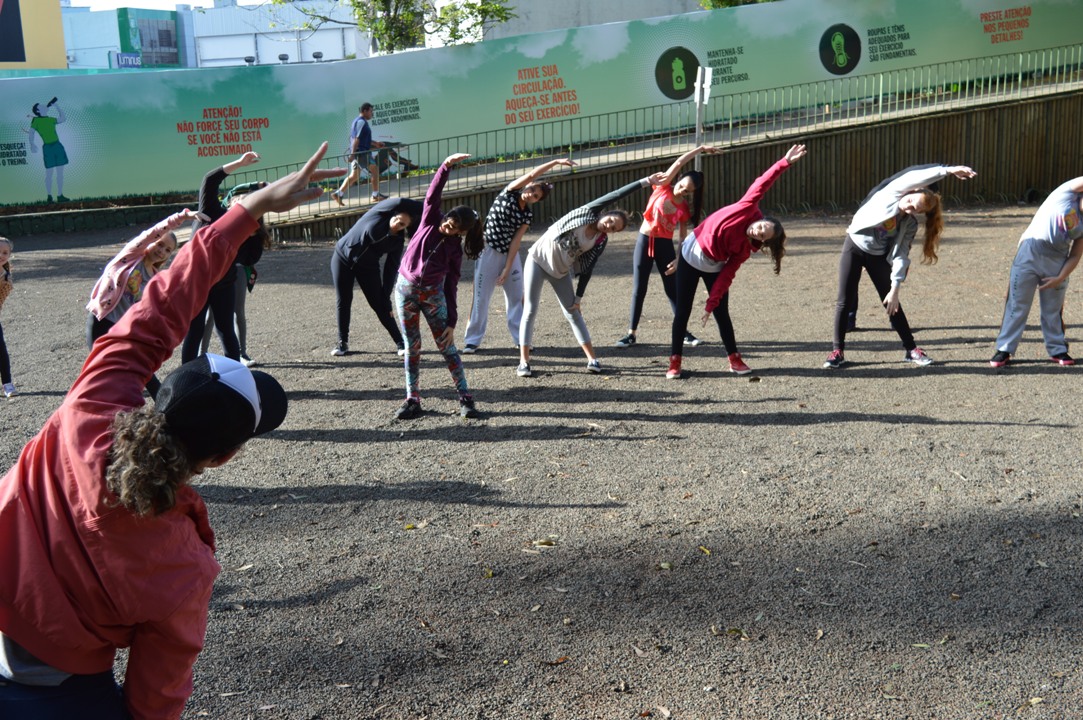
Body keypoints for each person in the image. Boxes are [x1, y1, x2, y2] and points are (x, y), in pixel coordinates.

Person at [0, 142, 341, 719]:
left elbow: (161, 306)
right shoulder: (183, 561)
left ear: (158, 394)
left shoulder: (91, 406)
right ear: (223, 458)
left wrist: (249, 208)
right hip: (54, 695)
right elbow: (156, 693)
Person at [667, 144, 806, 380]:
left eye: (762, 236)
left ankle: (734, 358)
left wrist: (711, 303)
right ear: (761, 219)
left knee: (723, 313)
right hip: (691, 254)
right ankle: (674, 361)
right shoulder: (747, 206)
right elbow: (763, 181)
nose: (758, 232)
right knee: (683, 310)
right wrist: (785, 162)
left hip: (714, 265)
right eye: (762, 227)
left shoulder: (744, 249)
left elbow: (727, 274)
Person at [822, 162, 977, 369]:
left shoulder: (909, 223)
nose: (910, 207)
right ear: (910, 192)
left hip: (877, 256)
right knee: (844, 299)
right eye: (911, 201)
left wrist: (895, 288)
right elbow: (912, 176)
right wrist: (947, 171)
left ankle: (911, 350)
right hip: (854, 247)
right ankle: (837, 351)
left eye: (916, 209)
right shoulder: (891, 194)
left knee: (892, 304)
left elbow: (901, 256)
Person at [517, 172, 663, 378]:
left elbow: (588, 268)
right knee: (530, 310)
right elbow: (616, 194)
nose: (609, 225)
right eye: (611, 220)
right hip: (537, 260)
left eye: (614, 228)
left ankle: (592, 359)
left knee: (573, 312)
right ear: (606, 214)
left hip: (560, 271)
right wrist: (646, 181)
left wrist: (578, 297)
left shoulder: (599, 241)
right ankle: (524, 362)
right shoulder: (588, 211)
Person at [392, 153, 483, 420]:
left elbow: (452, 285)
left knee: (447, 347)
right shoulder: (430, 220)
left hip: (433, 297)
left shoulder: (454, 250)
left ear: (460, 232)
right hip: (404, 291)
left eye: (452, 227)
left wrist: (452, 321)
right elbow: (433, 194)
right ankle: (412, 400)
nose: (446, 226)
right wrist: (445, 166)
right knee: (412, 347)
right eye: (447, 221)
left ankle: (466, 399)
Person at [462, 158, 575, 354]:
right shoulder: (510, 192)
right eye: (532, 190)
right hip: (488, 250)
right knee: (481, 297)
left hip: (509, 254)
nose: (531, 195)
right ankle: (472, 340)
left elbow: (516, 241)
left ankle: (521, 339)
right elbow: (532, 175)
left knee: (517, 297)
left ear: (538, 201)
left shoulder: (526, 216)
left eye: (536, 196)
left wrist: (507, 267)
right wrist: (555, 162)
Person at [616, 145, 718, 350]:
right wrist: (701, 149)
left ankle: (684, 333)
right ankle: (631, 334)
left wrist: (679, 259)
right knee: (639, 288)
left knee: (673, 289)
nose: (682, 190)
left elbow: (682, 237)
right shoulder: (663, 187)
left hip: (665, 246)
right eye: (682, 185)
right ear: (678, 179)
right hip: (645, 240)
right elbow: (679, 162)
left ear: (691, 194)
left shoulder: (683, 208)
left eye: (687, 191)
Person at [86, 210, 191, 398]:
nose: (162, 251)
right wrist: (181, 217)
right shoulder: (131, 256)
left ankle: (166, 408)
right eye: (160, 244)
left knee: (142, 370)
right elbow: (151, 232)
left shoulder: (156, 277)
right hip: (102, 321)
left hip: (125, 330)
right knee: (99, 370)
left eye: (168, 250)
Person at [180, 153, 269, 364]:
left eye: (245, 201)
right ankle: (188, 376)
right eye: (238, 197)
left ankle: (236, 375)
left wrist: (250, 235)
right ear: (230, 202)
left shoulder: (247, 230)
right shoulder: (211, 211)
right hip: (198, 280)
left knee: (225, 329)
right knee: (195, 330)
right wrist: (240, 163)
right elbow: (209, 180)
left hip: (223, 282)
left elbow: (250, 258)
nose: (240, 199)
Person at [989, 176, 1083, 367]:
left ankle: (1058, 350)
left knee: (1053, 309)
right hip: (1029, 254)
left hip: (1057, 262)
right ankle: (1004, 349)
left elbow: (1075, 255)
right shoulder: (1065, 193)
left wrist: (1060, 277)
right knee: (1017, 305)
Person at [330, 196, 423, 357]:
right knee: (343, 300)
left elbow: (391, 268)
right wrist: (429, 206)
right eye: (397, 219)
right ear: (393, 214)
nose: (396, 224)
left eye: (402, 224)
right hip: (342, 258)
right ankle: (342, 342)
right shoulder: (378, 214)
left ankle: (401, 343)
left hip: (368, 267)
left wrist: (386, 296)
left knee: (380, 304)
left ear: (405, 227)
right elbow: (400, 201)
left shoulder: (397, 241)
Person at [330, 103, 389, 206]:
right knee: (375, 170)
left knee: (354, 176)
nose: (372, 114)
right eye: (371, 111)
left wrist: (376, 143)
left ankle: (338, 193)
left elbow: (363, 138)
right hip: (362, 153)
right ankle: (375, 195)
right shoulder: (361, 122)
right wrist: (353, 154)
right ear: (365, 111)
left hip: (359, 152)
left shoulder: (359, 122)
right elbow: (356, 139)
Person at [25, 98, 70, 203]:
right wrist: (31, 144)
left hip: (57, 146)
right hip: (48, 148)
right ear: (38, 111)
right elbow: (31, 133)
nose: (44, 105)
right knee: (49, 173)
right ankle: (49, 196)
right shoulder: (36, 121)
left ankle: (60, 195)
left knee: (60, 173)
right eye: (41, 106)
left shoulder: (50, 119)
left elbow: (63, 118)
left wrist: (57, 106)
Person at [0, 237, 14, 398]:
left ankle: (8, 384)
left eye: (5, 252)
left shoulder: (6, 279)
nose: (1, 255)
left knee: (1, 350)